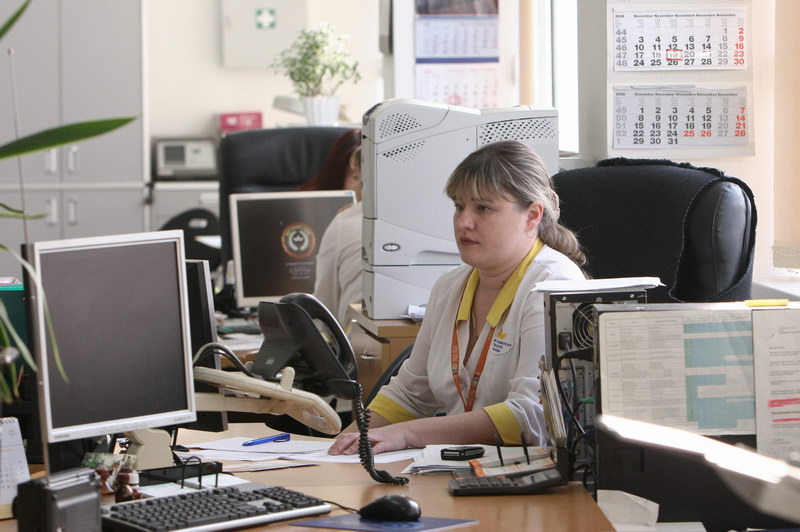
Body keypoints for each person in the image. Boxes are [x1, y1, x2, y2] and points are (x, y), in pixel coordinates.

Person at [329, 140, 587, 455]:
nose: (464, 221)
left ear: (532, 215)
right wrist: (341, 447)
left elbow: (531, 415)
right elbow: (408, 395)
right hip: (461, 467)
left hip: (529, 471)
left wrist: (407, 434)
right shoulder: (450, 286)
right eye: (458, 206)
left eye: (483, 208)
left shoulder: (554, 285)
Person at [313, 145, 363, 325]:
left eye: (357, 178)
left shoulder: (344, 222)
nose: (354, 186)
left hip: (357, 340)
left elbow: (324, 309)